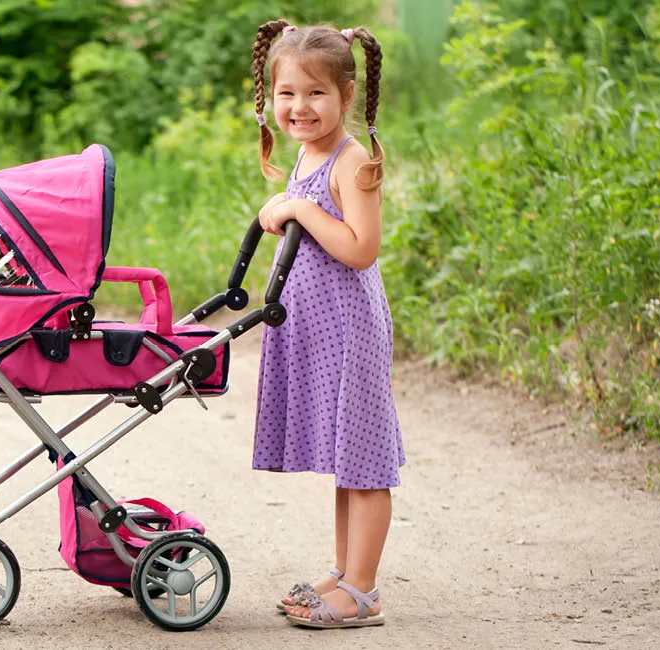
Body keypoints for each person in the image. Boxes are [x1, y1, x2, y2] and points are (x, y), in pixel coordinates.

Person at [249, 19, 406, 629]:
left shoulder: (351, 158)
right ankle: (344, 574)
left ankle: (362, 591)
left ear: (346, 95)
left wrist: (300, 208)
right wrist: (291, 206)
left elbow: (361, 247)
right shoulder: (308, 153)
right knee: (347, 459)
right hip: (321, 333)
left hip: (353, 331)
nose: (300, 107)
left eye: (316, 93)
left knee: (364, 465)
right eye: (287, 93)